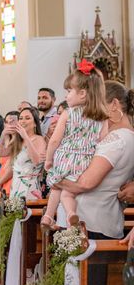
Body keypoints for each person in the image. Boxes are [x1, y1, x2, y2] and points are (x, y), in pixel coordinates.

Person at [54, 80, 134, 285]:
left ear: (115, 106)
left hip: (96, 228)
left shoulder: (118, 141)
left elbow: (87, 182)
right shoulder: (116, 137)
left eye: (101, 105)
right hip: (97, 224)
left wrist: (58, 177)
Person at [41, 63, 109, 228]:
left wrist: (48, 160)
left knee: (57, 188)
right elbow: (103, 141)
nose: (66, 96)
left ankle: (49, 216)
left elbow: (55, 141)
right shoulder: (103, 117)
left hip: (65, 159)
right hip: (86, 164)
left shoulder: (68, 113)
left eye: (69, 91)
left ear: (83, 94)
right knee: (67, 193)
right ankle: (71, 213)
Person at [0, 107, 46, 199]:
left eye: (27, 118)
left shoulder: (39, 139)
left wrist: (26, 137)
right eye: (21, 118)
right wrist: (4, 134)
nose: (23, 121)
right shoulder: (17, 140)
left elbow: (36, 161)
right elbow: (1, 153)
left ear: (35, 123)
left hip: (30, 186)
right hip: (15, 184)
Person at [0, 112, 20, 195]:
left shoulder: (18, 141)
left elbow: (12, 166)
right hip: (3, 179)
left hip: (10, 179)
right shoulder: (9, 139)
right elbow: (0, 153)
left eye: (12, 122)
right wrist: (4, 134)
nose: (9, 125)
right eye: (6, 122)